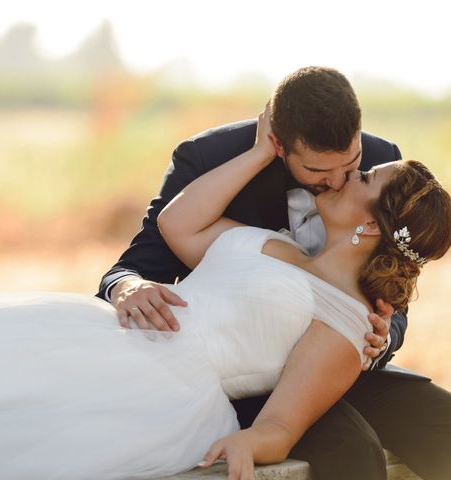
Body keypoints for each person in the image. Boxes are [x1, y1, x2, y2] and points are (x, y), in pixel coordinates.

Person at [0, 110, 450, 480]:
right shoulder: (231, 182)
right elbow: (165, 237)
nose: (344, 175)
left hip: (196, 382)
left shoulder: (347, 299)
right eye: (326, 168)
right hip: (127, 337)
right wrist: (260, 155)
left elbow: (285, 418)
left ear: (370, 222)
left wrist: (373, 341)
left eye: (358, 171)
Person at [98, 66, 451, 480]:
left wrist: (380, 336)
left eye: (353, 164)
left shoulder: (384, 166)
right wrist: (127, 286)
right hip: (230, 362)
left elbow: (395, 283)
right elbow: (143, 260)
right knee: (351, 447)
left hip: (334, 354)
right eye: (319, 172)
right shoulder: (209, 157)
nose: (340, 180)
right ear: (280, 146)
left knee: (443, 426)